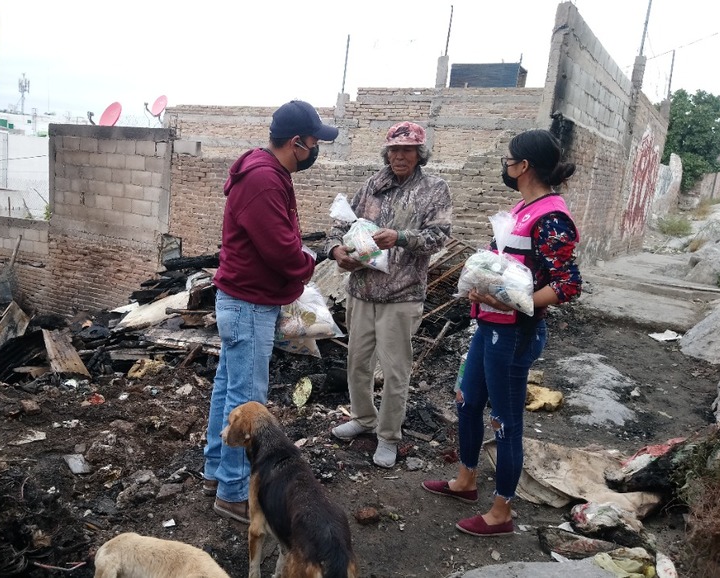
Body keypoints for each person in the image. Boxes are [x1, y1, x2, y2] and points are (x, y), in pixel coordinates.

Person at [420, 128, 582, 536]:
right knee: (467, 400)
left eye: (509, 159)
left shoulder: (552, 218)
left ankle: (502, 512)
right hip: (489, 327)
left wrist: (511, 303)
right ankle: (466, 480)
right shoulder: (524, 207)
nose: (505, 165)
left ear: (524, 165)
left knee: (506, 423)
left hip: (514, 335)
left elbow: (567, 286)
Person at [204, 100, 338, 523]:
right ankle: (233, 493)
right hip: (248, 303)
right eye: (314, 141)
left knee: (229, 391)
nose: (317, 148)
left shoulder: (268, 172)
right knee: (248, 400)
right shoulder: (264, 179)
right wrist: (308, 261)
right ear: (297, 142)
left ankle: (217, 471)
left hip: (245, 300)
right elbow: (280, 250)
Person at [325, 121, 453, 468]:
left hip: (402, 294)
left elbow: (440, 236)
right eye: (395, 150)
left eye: (407, 150)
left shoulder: (433, 189)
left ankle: (388, 436)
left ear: (419, 154)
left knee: (396, 371)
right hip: (362, 290)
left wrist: (400, 237)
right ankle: (363, 419)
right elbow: (339, 227)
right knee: (358, 363)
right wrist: (339, 252)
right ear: (387, 152)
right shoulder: (371, 186)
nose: (400, 156)